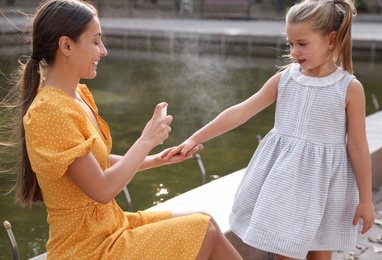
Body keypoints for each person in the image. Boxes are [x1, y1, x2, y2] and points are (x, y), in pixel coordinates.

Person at [1, 0, 243, 259]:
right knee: (202, 229)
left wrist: (155, 159)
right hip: (86, 246)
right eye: (95, 42)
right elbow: (103, 190)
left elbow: (97, 163)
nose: (103, 51)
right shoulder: (49, 111)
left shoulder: (78, 96)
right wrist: (146, 141)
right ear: (66, 45)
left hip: (110, 225)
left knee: (204, 218)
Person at [165, 0, 375, 259]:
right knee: (285, 251)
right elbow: (240, 111)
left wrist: (365, 200)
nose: (294, 51)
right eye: (290, 43)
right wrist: (195, 137)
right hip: (286, 184)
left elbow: (357, 146)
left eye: (302, 43)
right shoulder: (285, 79)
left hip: (325, 186)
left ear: (331, 40)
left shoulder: (349, 88)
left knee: (320, 254)